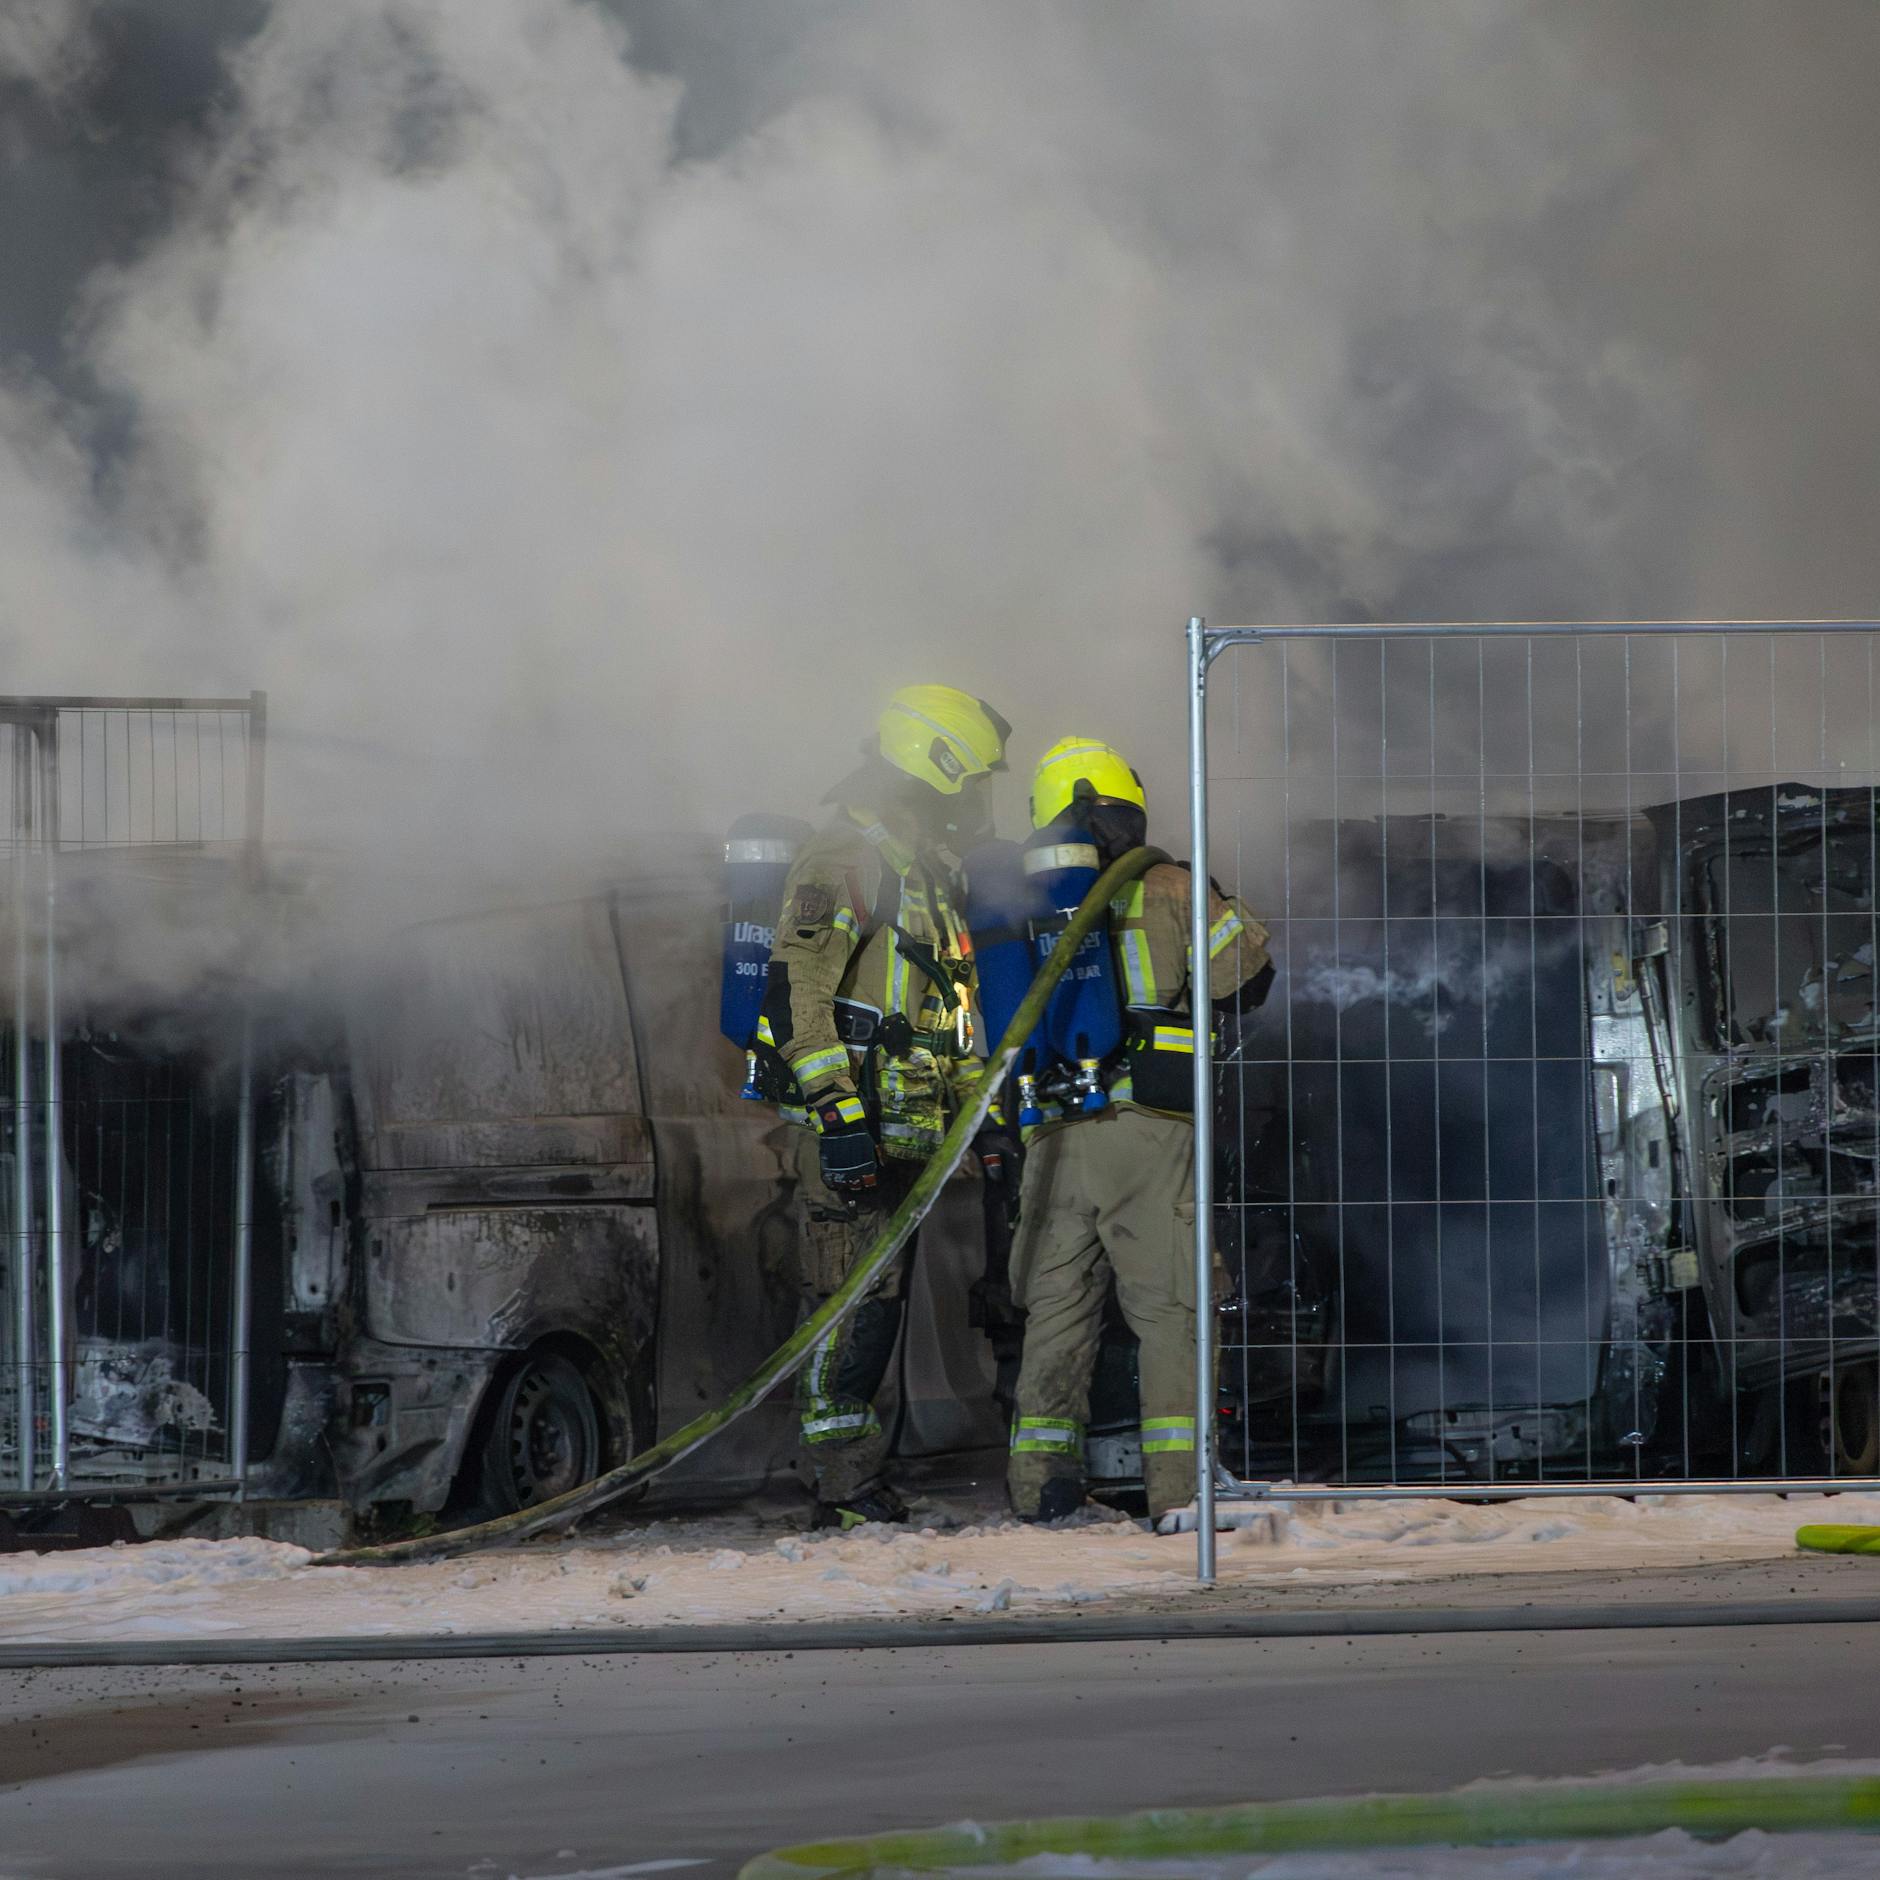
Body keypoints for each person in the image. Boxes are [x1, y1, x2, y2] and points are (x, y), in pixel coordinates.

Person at [758, 684, 1011, 1529]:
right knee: (848, 1306)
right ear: (927, 769)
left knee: (878, 1305)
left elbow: (951, 1012)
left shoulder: (926, 873)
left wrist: (983, 1118)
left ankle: (857, 1474)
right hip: (857, 1132)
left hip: (911, 1131)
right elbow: (799, 997)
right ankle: (841, 1486)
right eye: (970, 782)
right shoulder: (844, 859)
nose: (975, 802)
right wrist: (837, 1118)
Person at [1005, 735, 1271, 1526]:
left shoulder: (1016, 903)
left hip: (1051, 1133)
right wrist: (1215, 896)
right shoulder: (1169, 885)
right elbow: (1245, 978)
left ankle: (1040, 1488)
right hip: (1144, 1131)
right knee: (1173, 1312)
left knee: (1057, 1311)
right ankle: (1183, 1494)